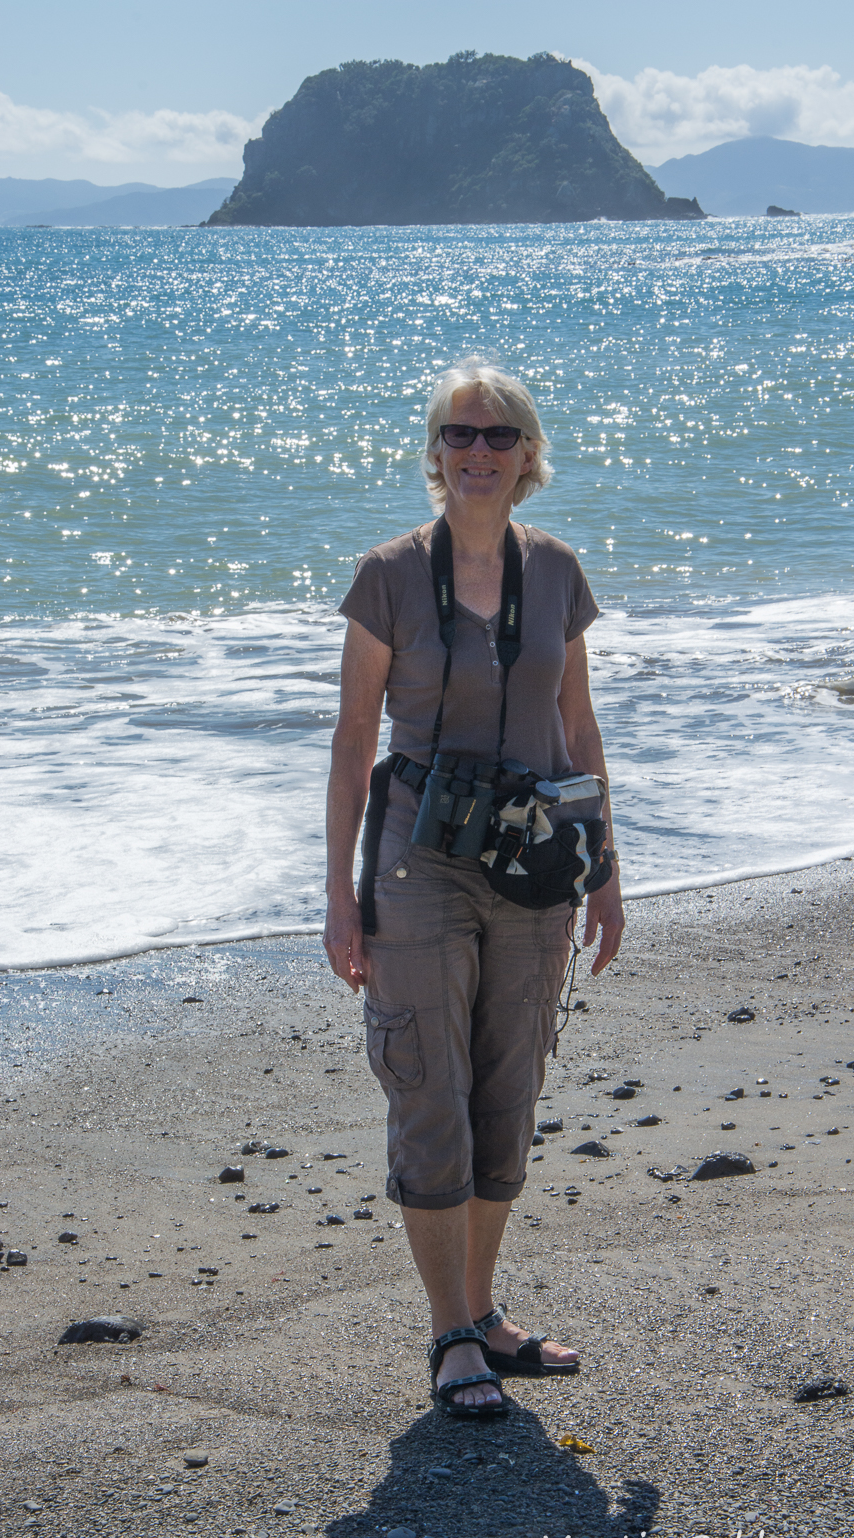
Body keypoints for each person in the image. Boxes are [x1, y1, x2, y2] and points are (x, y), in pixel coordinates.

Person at [323, 359, 624, 1418]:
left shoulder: (558, 573)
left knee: (507, 1091)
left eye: (499, 435)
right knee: (428, 1089)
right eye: (460, 433)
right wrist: (340, 898)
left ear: (528, 453)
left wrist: (605, 874)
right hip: (419, 861)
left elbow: (577, 728)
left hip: (537, 860)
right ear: (435, 451)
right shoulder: (389, 576)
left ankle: (484, 1313)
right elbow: (352, 742)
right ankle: (449, 1330)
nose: (479, 452)